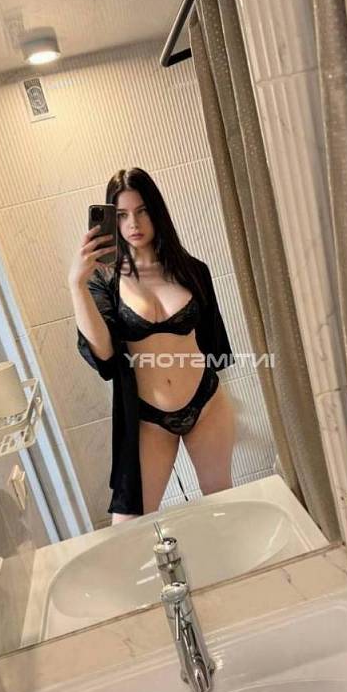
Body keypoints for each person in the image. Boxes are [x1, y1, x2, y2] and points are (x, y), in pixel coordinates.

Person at [69, 167, 236, 524]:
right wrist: (76, 285)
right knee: (128, 526)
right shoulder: (105, 281)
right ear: (112, 219)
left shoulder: (193, 270)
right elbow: (104, 354)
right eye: (123, 214)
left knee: (223, 508)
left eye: (142, 210)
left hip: (206, 404)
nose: (134, 223)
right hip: (149, 419)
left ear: (157, 211)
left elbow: (213, 343)